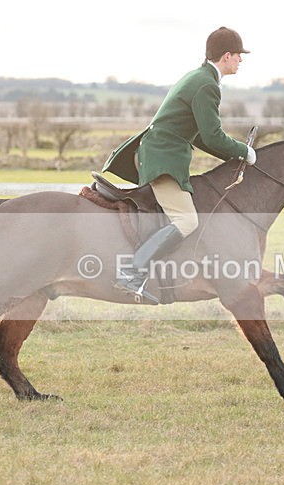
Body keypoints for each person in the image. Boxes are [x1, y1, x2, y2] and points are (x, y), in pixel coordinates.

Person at [102, 26, 256, 304]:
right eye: (239, 56)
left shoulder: (200, 77)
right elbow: (212, 136)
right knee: (187, 220)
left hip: (162, 154)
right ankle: (131, 273)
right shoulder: (207, 84)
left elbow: (201, 136)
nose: (241, 60)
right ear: (227, 55)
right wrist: (245, 151)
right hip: (163, 159)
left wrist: (236, 156)